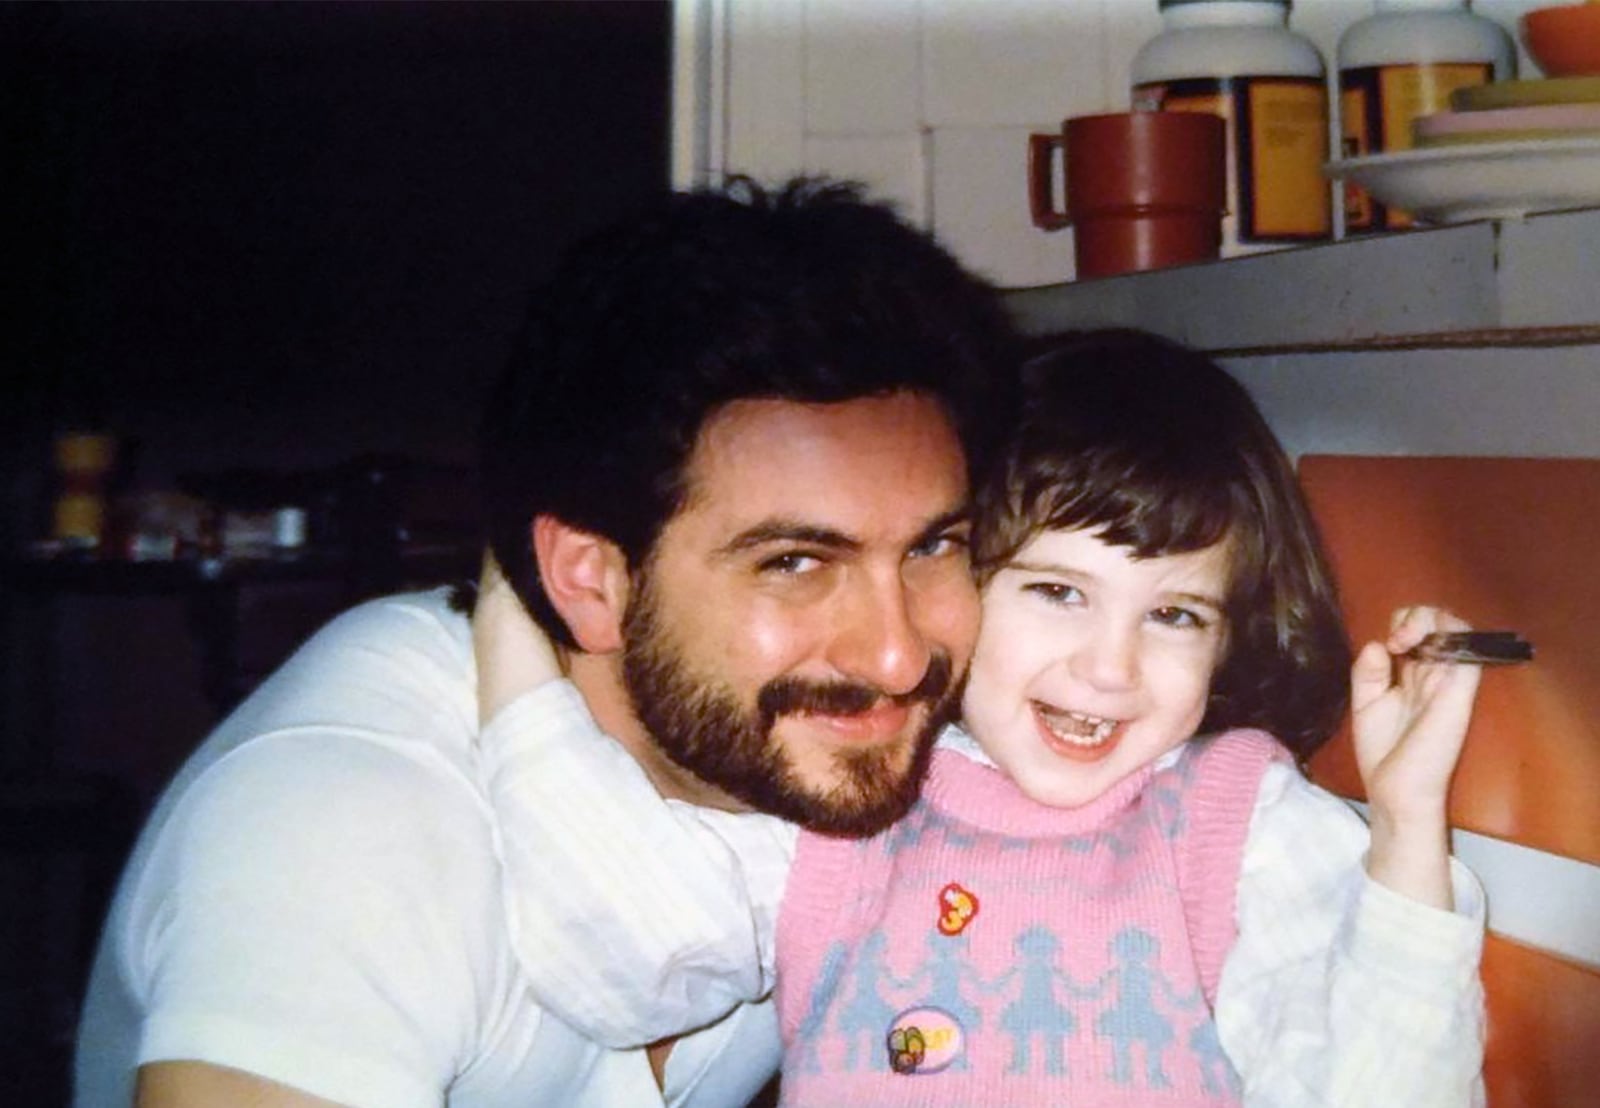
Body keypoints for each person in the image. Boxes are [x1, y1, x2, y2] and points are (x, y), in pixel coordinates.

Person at [72, 176, 1019, 1108]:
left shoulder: (811, 760)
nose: (897, 658)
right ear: (589, 581)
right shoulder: (347, 822)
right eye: (796, 564)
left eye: (935, 546)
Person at [472, 329, 1489, 1107]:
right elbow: (615, 965)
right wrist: (514, 610)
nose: (1108, 665)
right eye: (1055, 591)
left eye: (1174, 613)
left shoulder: (1235, 819)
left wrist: (1406, 826)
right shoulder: (854, 800)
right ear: (951, 588)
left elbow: (1385, 1089)